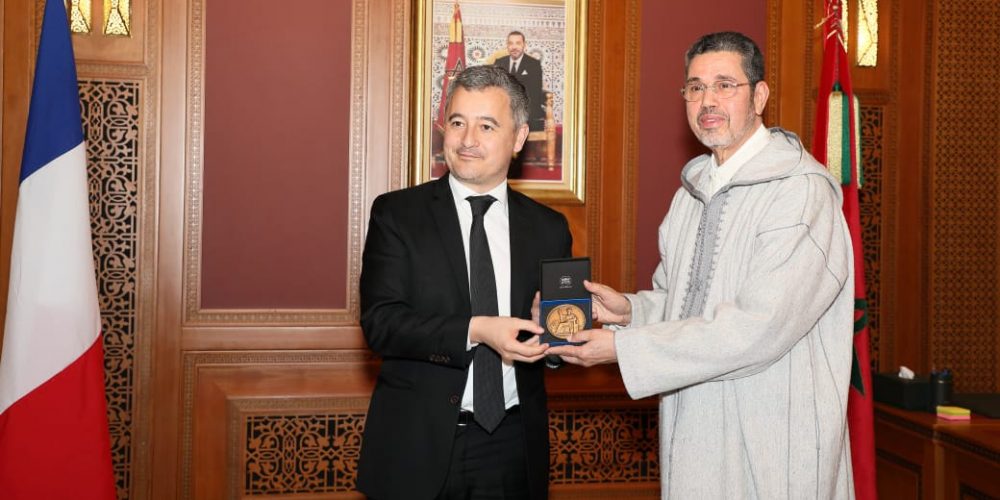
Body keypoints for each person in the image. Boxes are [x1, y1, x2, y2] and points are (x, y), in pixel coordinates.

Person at [547, 32, 856, 499]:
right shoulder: (691, 194)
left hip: (773, 441)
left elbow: (760, 327)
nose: (707, 100)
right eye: (695, 87)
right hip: (697, 430)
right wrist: (630, 311)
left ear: (759, 96)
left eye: (725, 85)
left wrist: (624, 350)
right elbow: (685, 304)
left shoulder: (799, 191)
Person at [357, 65, 572, 500]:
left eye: (486, 126)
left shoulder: (548, 228)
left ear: (518, 138)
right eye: (457, 123)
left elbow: (558, 346)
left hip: (512, 446)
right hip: (417, 445)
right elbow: (381, 324)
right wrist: (477, 329)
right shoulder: (397, 215)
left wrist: (553, 336)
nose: (467, 139)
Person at [494, 31, 546, 133]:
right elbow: (495, 90)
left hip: (527, 111)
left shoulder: (534, 65)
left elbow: (535, 95)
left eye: (518, 43)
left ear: (524, 45)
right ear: (507, 46)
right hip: (503, 109)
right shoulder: (499, 62)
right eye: (511, 43)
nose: (514, 47)